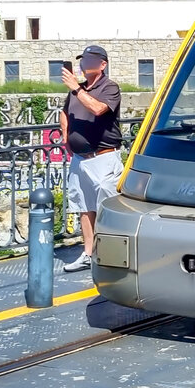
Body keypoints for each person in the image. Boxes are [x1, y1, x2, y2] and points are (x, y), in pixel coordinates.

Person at [59, 44, 122, 272]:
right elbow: (65, 113)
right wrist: (67, 139)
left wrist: (76, 89)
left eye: (88, 60)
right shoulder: (78, 89)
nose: (83, 65)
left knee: (107, 207)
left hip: (104, 157)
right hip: (80, 158)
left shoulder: (110, 87)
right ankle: (88, 253)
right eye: (82, 61)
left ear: (102, 64)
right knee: (84, 208)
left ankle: (111, 255)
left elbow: (98, 109)